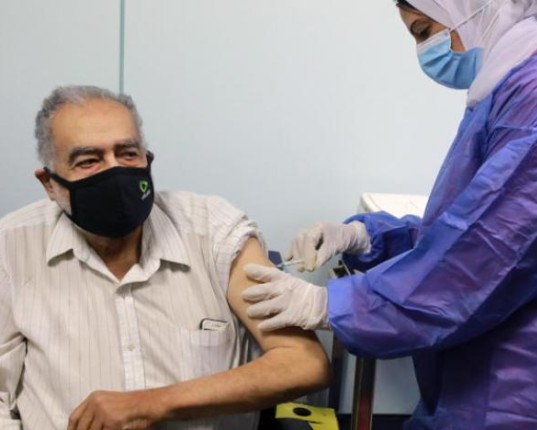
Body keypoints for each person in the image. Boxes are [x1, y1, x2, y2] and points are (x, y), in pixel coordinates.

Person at [242, 0, 537, 428]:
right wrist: (366, 237)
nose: (426, 52)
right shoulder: (518, 86)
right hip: (490, 371)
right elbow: (469, 229)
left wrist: (332, 305)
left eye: (424, 31)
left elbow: (485, 258)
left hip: (530, 384)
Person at [0, 85, 330, 430]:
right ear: (49, 184)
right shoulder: (12, 247)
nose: (114, 172)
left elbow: (304, 364)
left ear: (148, 161)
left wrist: (151, 404)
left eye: (127, 153)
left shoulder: (214, 232)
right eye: (89, 161)